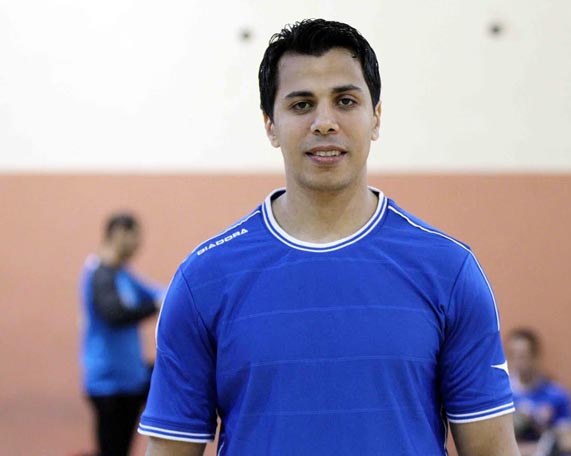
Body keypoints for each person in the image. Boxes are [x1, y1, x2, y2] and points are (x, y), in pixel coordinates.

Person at [138, 19, 519, 456]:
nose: (324, 122)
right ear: (270, 125)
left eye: (345, 101)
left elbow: (492, 450)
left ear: (376, 117)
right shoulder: (204, 278)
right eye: (301, 104)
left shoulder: (449, 271)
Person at [80, 212, 164, 456]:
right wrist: (154, 306)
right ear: (119, 234)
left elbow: (158, 293)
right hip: (109, 384)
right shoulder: (100, 275)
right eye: (135, 238)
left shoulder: (122, 274)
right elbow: (114, 314)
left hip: (130, 379)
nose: (138, 245)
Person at [506, 328, 571, 455]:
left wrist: (538, 422)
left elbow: (568, 436)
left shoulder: (557, 395)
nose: (517, 362)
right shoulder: (504, 396)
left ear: (535, 356)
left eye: (522, 356)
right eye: (513, 355)